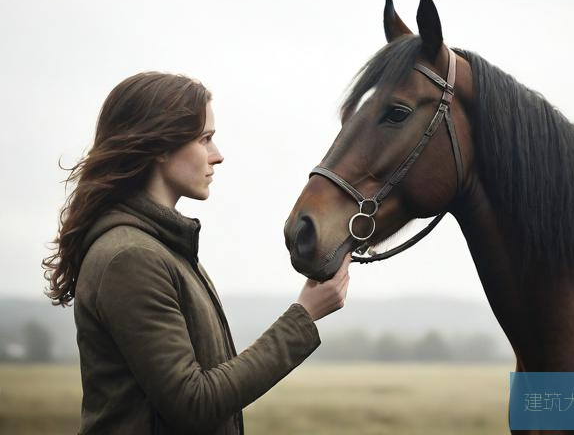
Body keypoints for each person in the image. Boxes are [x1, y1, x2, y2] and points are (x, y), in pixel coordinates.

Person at [42, 72, 351, 435]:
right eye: (205, 139)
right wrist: (304, 316)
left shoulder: (163, 248)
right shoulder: (129, 257)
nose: (217, 156)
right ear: (159, 145)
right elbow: (195, 403)